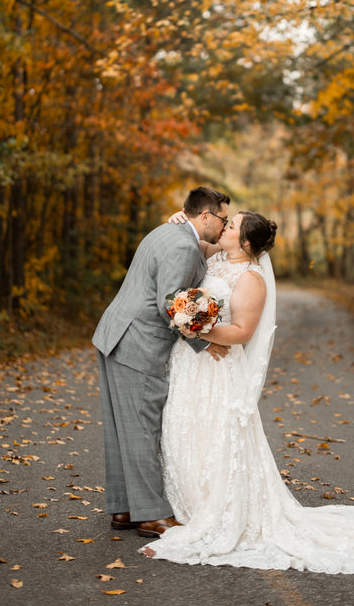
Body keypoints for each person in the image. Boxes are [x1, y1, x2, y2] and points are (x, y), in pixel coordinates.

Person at [140, 209, 354, 572]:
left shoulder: (252, 278)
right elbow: (190, 237)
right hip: (189, 364)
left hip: (218, 369)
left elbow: (242, 333)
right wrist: (177, 218)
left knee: (214, 437)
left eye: (232, 225)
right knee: (184, 431)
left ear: (247, 241)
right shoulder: (214, 255)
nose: (225, 227)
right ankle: (185, 504)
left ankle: (215, 513)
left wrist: (194, 328)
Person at [92, 186, 231, 538]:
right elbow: (170, 303)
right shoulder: (184, 246)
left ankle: (125, 508)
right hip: (138, 342)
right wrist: (204, 341)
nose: (224, 226)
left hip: (116, 333)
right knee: (141, 428)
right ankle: (151, 514)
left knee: (122, 428)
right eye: (223, 219)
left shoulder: (166, 230)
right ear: (205, 216)